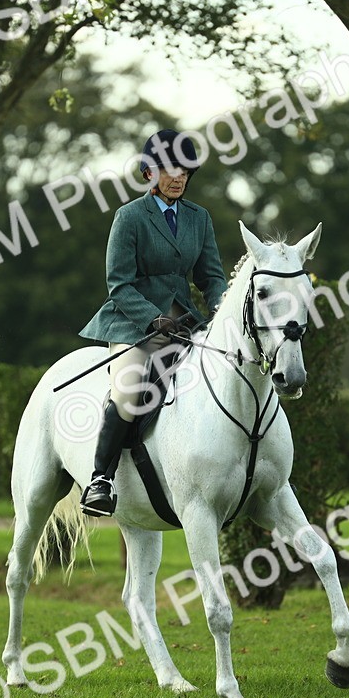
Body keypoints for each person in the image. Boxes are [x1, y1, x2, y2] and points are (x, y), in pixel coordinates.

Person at [77, 129, 228, 517]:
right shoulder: (129, 217)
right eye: (168, 168)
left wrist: (221, 311)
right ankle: (101, 480)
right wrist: (151, 318)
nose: (177, 176)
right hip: (133, 321)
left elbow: (211, 277)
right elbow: (118, 284)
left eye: (184, 170)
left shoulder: (199, 218)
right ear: (150, 172)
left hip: (183, 322)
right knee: (128, 391)